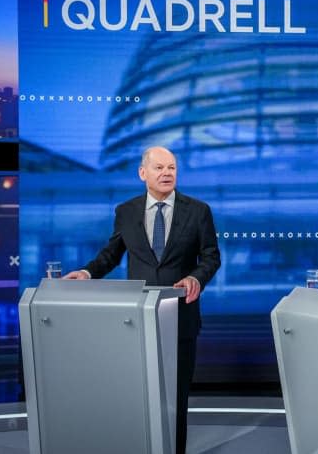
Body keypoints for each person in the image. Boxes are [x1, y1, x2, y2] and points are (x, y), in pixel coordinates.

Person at [64, 146, 221, 454]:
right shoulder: (126, 211)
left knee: (175, 396)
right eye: (160, 167)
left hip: (180, 316)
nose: (167, 173)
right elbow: (111, 255)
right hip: (137, 318)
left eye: (172, 168)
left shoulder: (198, 211)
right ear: (143, 173)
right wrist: (87, 273)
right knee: (139, 393)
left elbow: (211, 257)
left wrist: (195, 278)